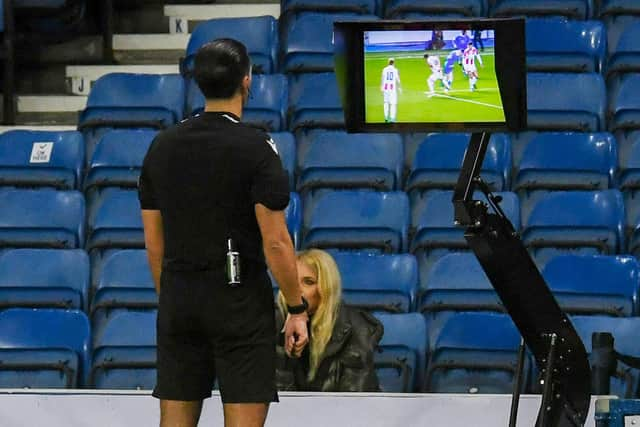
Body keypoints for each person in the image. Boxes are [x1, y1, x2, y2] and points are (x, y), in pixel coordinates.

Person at [138, 38, 310, 427]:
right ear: (246, 81)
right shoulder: (257, 147)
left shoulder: (161, 146)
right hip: (238, 301)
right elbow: (276, 240)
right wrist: (296, 307)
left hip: (179, 298)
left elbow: (154, 242)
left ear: (198, 83)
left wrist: (173, 297)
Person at [275, 249, 384, 392]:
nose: (297, 290)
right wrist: (283, 345)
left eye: (308, 282)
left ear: (326, 288)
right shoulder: (273, 322)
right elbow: (272, 396)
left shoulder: (357, 328)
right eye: (292, 282)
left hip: (338, 411)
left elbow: (355, 396)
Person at [380, 58, 401, 123]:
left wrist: (381, 87)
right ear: (394, 62)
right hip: (392, 89)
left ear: (388, 62)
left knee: (386, 103)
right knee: (393, 104)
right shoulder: (396, 70)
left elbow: (382, 78)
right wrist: (400, 88)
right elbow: (398, 80)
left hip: (385, 88)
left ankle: (386, 118)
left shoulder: (384, 69)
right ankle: (392, 119)